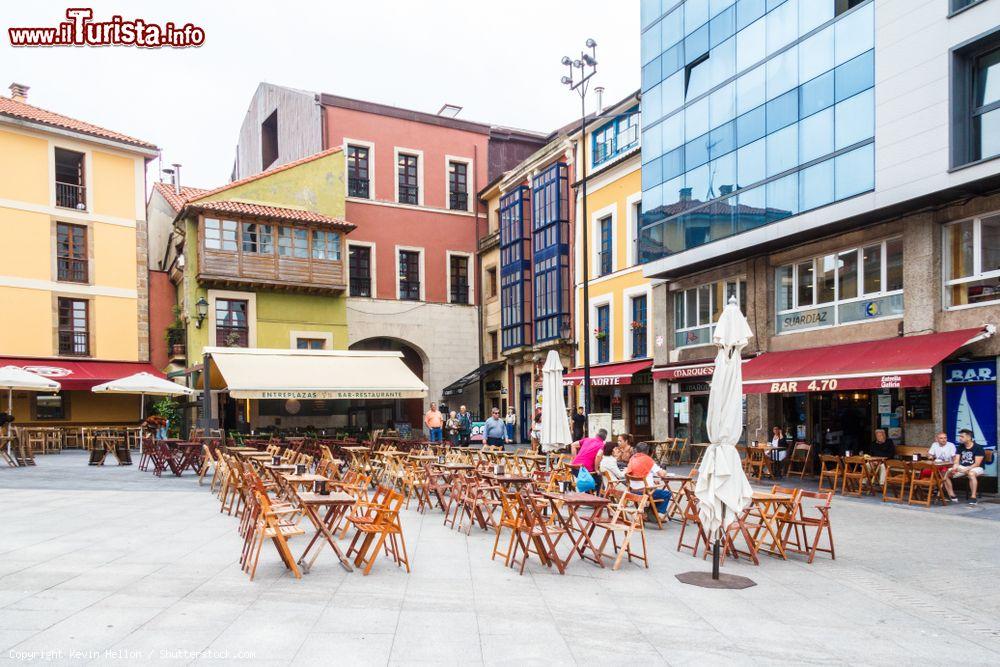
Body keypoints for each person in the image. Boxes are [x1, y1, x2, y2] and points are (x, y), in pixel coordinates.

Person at [625, 442, 672, 517]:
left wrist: (652, 480)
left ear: (636, 450)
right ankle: (657, 514)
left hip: (632, 491)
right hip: (645, 492)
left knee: (656, 493)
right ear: (647, 451)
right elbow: (661, 474)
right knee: (667, 493)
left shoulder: (632, 458)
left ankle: (650, 511)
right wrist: (664, 471)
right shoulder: (648, 460)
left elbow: (638, 475)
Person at [942, 429, 986, 504]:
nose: (960, 438)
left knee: (971, 473)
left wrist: (967, 469)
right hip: (962, 468)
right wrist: (955, 467)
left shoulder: (978, 447)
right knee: (945, 473)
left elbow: (977, 464)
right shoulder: (960, 447)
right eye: (960, 436)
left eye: (962, 436)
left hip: (976, 468)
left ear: (969, 437)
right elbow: (956, 460)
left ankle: (973, 497)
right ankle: (952, 495)